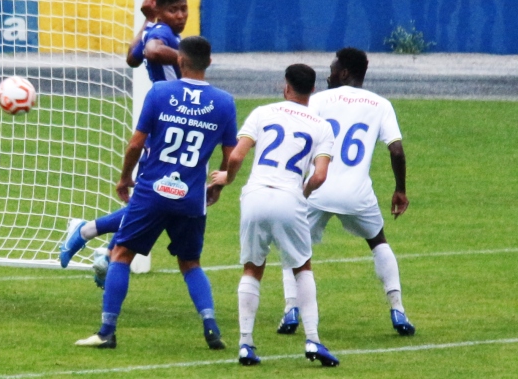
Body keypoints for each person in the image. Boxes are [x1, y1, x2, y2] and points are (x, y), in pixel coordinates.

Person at [75, 36, 236, 350]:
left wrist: (124, 179)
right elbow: (230, 155)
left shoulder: (161, 92)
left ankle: (107, 332)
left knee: (121, 254)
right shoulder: (225, 102)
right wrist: (216, 184)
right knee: (191, 263)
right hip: (191, 197)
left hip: (152, 192)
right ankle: (211, 326)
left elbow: (136, 144)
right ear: (210, 62)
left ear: (179, 60)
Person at [275, 48, 415, 337]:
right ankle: (398, 309)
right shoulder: (381, 104)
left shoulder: (318, 100)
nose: (327, 74)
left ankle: (291, 309)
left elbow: (296, 136)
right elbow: (397, 150)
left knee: (294, 247)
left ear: (344, 73)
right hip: (357, 193)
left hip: (317, 187)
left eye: (332, 68)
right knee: (378, 242)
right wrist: (400, 189)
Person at [209, 64, 339, 367]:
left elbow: (237, 155)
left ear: (286, 86)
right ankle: (313, 340)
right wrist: (300, 195)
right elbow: (319, 176)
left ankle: (245, 344)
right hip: (289, 197)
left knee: (252, 267)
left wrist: (226, 180)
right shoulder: (321, 126)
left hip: (255, 195)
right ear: (313, 91)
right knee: (302, 268)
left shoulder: (262, 112)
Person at [59, 0, 189, 273]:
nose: (180, 15)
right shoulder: (163, 35)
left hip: (170, 121)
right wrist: (187, 58)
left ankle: (108, 254)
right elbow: (153, 52)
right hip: (167, 122)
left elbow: (133, 58)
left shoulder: (157, 29)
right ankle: (86, 232)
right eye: (173, 9)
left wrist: (147, 20)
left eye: (183, 8)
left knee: (156, 199)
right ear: (161, 11)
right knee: (155, 201)